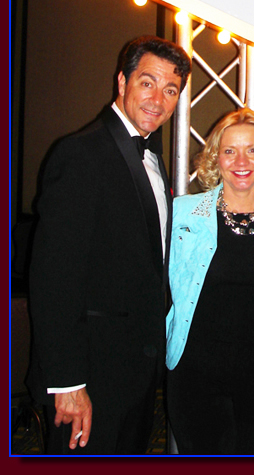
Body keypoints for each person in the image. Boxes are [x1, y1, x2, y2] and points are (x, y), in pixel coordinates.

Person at [27, 35, 191, 455]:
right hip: (88, 375)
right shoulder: (81, 153)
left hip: (136, 372)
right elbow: (53, 277)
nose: (157, 99)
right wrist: (68, 382)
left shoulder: (152, 158)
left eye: (170, 89)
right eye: (147, 83)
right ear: (122, 82)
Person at [166, 108, 254, 455]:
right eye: (230, 151)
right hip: (194, 372)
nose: (241, 161)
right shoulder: (182, 212)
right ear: (216, 157)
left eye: (252, 150)